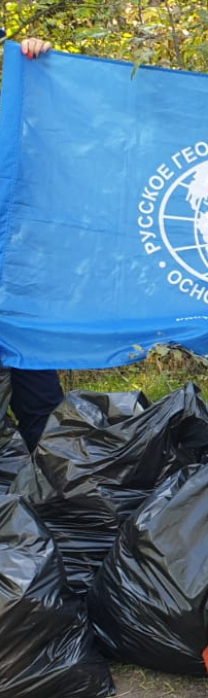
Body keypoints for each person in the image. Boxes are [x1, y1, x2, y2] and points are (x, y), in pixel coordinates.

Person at [1, 36, 63, 450]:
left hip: (20, 296)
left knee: (42, 410)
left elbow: (53, 137)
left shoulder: (14, 138)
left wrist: (39, 68)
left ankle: (60, 507)